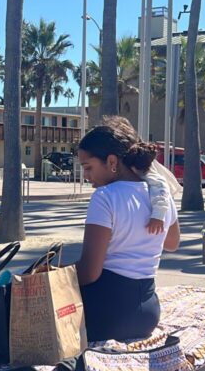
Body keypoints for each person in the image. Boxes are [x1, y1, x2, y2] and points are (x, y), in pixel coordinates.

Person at [74, 117, 181, 342]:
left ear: (112, 161)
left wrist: (53, 275)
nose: (86, 176)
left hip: (106, 315)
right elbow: (172, 243)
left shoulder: (105, 197)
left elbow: (89, 272)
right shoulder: (160, 195)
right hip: (148, 315)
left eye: (88, 167)